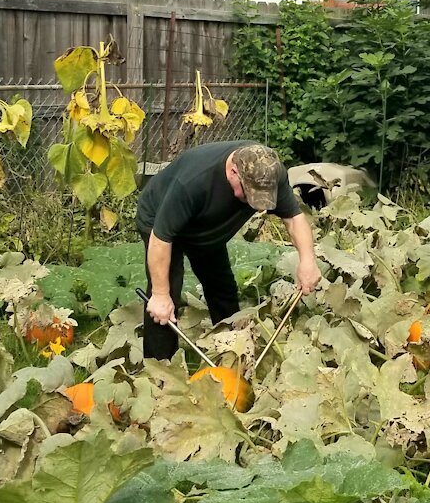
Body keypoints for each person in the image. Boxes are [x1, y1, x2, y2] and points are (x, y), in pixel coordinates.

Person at [135, 141, 322, 360]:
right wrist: (159, 294)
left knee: (222, 287)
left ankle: (234, 352)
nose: (258, 206)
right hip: (160, 223)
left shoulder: (269, 173)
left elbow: (293, 218)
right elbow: (161, 239)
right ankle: (160, 370)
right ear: (233, 171)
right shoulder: (193, 182)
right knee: (165, 300)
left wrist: (308, 261)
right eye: (249, 196)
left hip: (208, 228)